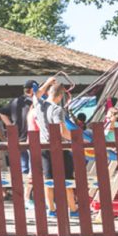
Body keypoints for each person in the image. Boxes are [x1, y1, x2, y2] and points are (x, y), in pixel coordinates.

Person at [34, 78, 79, 217]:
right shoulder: (57, 109)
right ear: (60, 96)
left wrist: (48, 82)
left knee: (48, 180)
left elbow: (36, 94)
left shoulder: (39, 105)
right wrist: (76, 139)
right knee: (67, 179)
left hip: (44, 146)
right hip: (60, 148)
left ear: (48, 93)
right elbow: (62, 131)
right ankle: (73, 209)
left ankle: (52, 209)